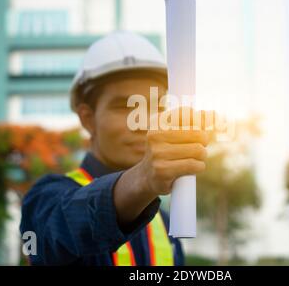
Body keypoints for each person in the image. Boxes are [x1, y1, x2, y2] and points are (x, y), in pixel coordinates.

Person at [20, 31, 210, 265]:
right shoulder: (44, 202)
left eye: (156, 106)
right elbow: (54, 235)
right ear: (88, 119)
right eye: (125, 107)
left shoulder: (164, 222)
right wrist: (143, 179)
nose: (144, 122)